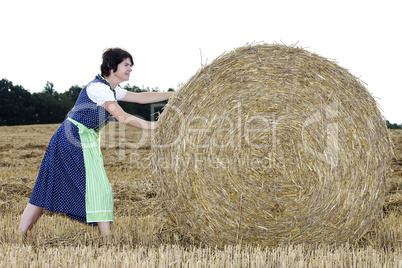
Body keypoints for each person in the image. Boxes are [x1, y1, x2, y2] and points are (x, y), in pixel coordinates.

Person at [18, 47, 174, 237]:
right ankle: (107, 240)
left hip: (73, 138)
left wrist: (173, 94)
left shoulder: (110, 89)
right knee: (98, 187)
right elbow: (122, 117)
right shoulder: (99, 88)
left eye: (130, 65)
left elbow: (141, 97)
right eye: (126, 65)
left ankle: (21, 233)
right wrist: (154, 126)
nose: (130, 69)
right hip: (73, 139)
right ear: (111, 66)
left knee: (49, 185)